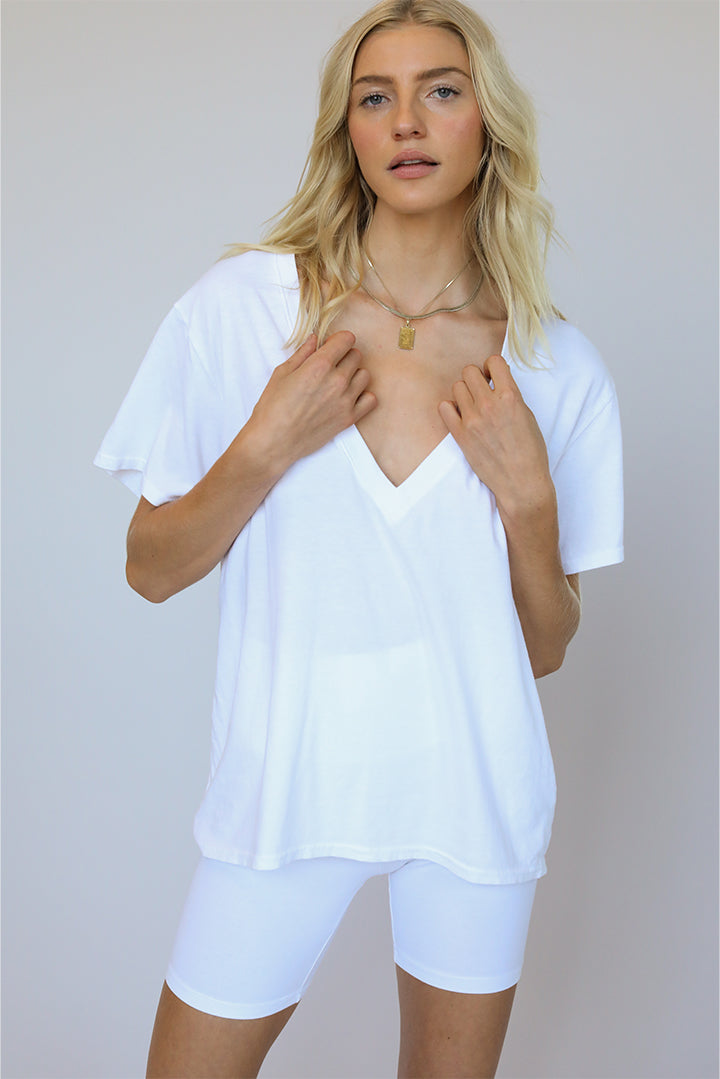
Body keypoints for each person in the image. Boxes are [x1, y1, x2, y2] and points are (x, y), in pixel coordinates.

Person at [94, 0, 623, 1075]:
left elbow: (544, 646)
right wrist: (266, 443)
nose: (407, 122)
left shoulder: (555, 366)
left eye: (441, 90)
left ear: (488, 121)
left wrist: (528, 502)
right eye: (375, 97)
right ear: (348, 130)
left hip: (473, 795)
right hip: (285, 788)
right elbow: (149, 568)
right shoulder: (246, 310)